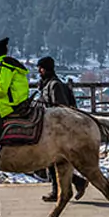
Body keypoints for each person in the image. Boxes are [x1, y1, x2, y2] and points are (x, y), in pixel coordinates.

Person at [36, 56, 87, 202]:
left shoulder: (55, 85)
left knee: (53, 161)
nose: (39, 71)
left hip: (58, 130)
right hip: (50, 129)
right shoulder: (47, 85)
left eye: (41, 68)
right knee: (53, 162)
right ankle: (76, 183)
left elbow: (61, 109)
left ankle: (60, 189)